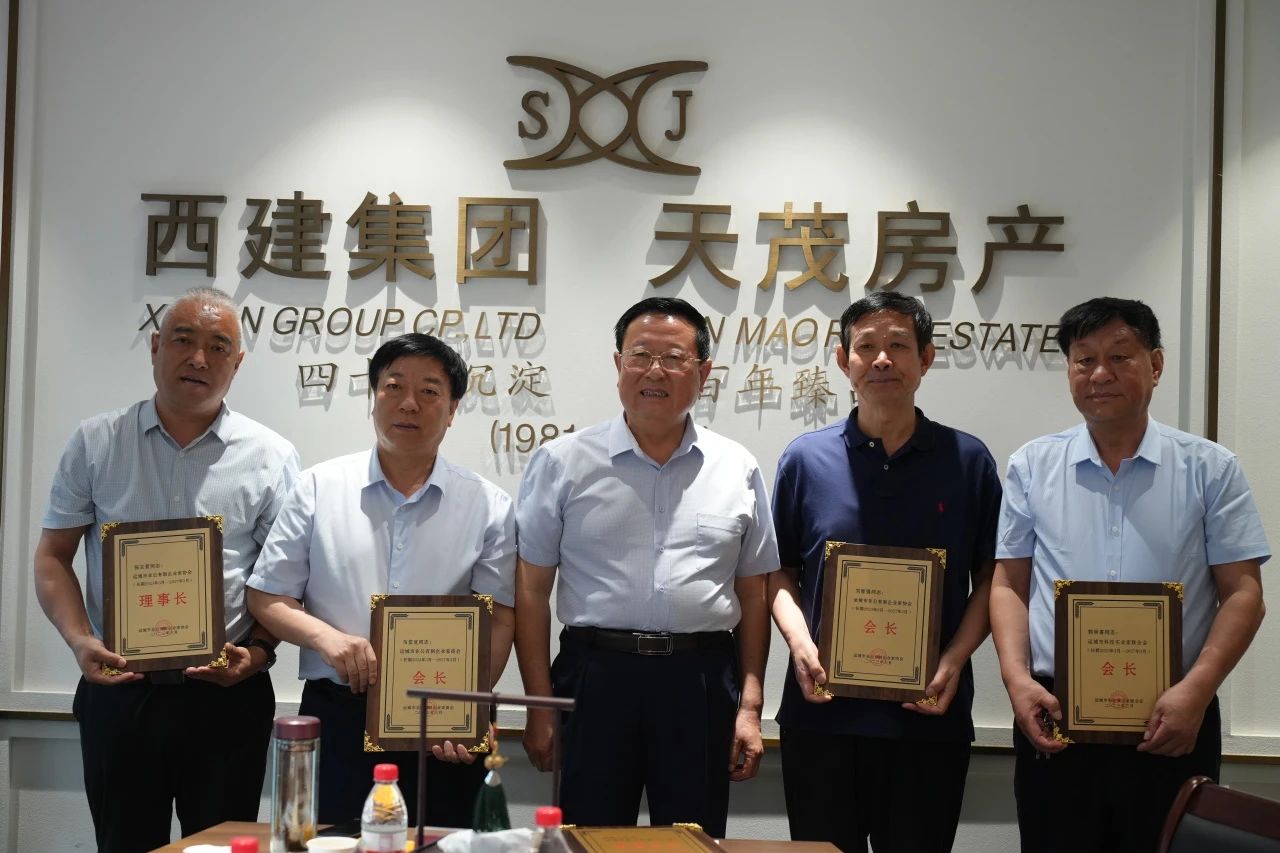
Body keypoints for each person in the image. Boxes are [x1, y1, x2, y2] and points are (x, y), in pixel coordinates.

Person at [990, 296, 1270, 852]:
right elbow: (1009, 585)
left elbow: (1244, 594)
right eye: (1084, 359)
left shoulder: (1210, 469)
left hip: (1173, 717)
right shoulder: (1031, 466)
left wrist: (1197, 692)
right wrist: (1016, 680)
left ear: (1156, 365)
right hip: (1057, 716)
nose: (1100, 374)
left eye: (1119, 357)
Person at [34, 287, 300, 853]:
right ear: (155, 347)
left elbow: (287, 579)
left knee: (223, 847)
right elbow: (53, 555)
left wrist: (258, 653)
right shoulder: (96, 442)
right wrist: (80, 640)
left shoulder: (271, 456)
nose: (198, 358)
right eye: (183, 340)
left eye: (218, 346)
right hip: (121, 690)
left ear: (237, 362)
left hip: (229, 694)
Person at [514, 296, 777, 838]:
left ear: (703, 372)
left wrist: (750, 704)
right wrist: (539, 705)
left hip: (700, 679)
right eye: (640, 355)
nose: (655, 371)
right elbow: (531, 592)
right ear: (618, 365)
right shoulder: (563, 462)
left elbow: (754, 594)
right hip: (595, 676)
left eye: (674, 358)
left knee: (692, 838)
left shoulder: (737, 467)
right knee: (588, 837)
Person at [247, 333, 515, 828]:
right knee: (335, 842)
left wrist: (468, 705)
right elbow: (268, 596)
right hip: (338, 714)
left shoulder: (489, 505)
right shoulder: (319, 488)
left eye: (430, 391)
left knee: (445, 840)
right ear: (374, 397)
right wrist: (326, 638)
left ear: (453, 409)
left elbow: (498, 618)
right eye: (394, 387)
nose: (409, 403)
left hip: (441, 716)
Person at [768, 292, 1001, 852]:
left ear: (926, 358)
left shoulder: (968, 461)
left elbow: (995, 577)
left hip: (929, 715)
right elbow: (776, 572)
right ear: (842, 360)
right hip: (823, 717)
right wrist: (800, 644)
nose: (881, 359)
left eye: (898, 345)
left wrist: (953, 661)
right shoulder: (806, 459)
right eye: (866, 346)